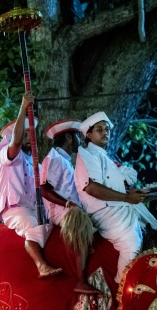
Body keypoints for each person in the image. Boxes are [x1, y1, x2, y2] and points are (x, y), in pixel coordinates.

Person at [74, 112, 157, 282]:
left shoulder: (107, 159)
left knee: (155, 229)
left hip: (120, 207)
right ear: (89, 135)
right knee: (132, 242)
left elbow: (122, 190)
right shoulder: (86, 154)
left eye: (107, 129)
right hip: (103, 211)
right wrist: (127, 198)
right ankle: (123, 289)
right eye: (100, 129)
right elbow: (91, 188)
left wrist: (140, 196)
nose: (105, 132)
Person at [0, 91, 62, 279]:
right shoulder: (6, 153)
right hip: (15, 209)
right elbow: (16, 142)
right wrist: (24, 107)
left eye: (30, 134)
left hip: (34, 208)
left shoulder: (33, 162)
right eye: (25, 134)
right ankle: (41, 265)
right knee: (35, 227)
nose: (28, 137)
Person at [41, 120, 98, 293]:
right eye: (77, 137)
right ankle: (80, 280)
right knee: (81, 222)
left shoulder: (64, 160)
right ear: (68, 137)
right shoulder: (55, 159)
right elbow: (44, 189)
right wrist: (69, 204)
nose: (79, 142)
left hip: (70, 207)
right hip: (62, 211)